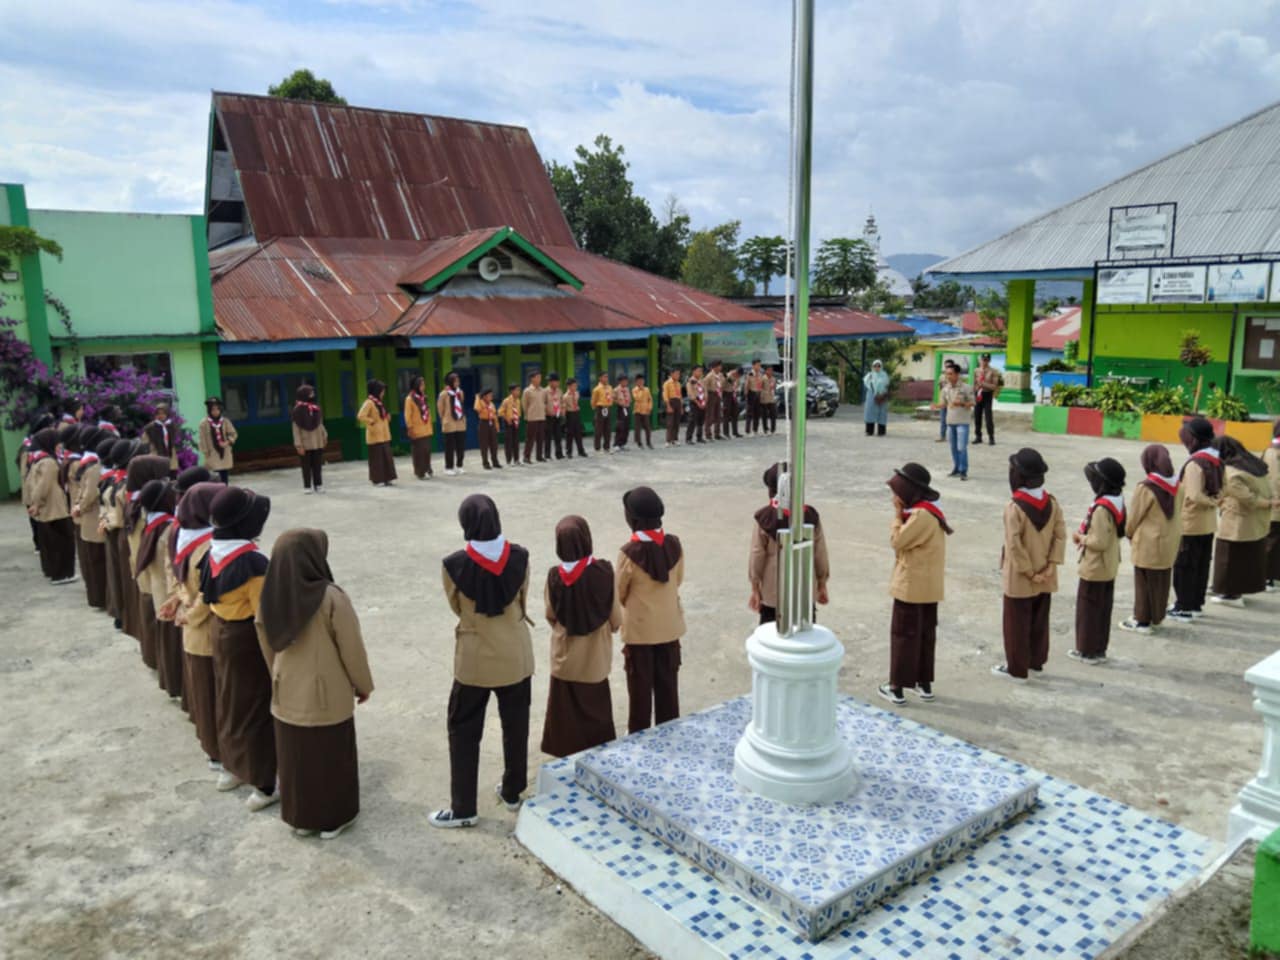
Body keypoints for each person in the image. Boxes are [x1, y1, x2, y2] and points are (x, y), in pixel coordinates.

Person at [257, 529, 374, 839]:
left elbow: (265, 641)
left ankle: (301, 818)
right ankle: (333, 818)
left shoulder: (270, 597)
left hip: (285, 690)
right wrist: (362, 684)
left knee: (296, 756)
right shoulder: (330, 597)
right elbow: (351, 648)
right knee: (330, 754)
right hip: (327, 693)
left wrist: (279, 675)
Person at [431, 495, 534, 829]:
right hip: (515, 653)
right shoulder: (520, 556)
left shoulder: (453, 565)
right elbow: (522, 597)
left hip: (474, 658)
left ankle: (463, 808)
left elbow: (456, 607)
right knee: (516, 724)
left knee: (463, 730)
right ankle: (513, 792)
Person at [202, 486, 277, 810]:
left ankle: (232, 767)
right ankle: (264, 783)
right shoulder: (252, 563)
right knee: (255, 707)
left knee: (229, 702)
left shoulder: (213, 551)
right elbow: (265, 617)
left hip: (220, 633)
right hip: (247, 640)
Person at [541, 516, 621, 757]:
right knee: (596, 708)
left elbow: (550, 614)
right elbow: (616, 618)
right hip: (595, 657)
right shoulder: (604, 572)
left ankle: (565, 752)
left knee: (565, 710)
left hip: (565, 657)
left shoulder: (554, 576)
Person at [878, 462, 951, 706]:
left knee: (904, 635)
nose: (895, 497)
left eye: (897, 493)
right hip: (929, 586)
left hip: (911, 586)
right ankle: (923, 683)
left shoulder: (920, 516)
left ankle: (897, 687)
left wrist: (897, 516)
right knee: (924, 635)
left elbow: (897, 541)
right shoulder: (930, 511)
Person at [993, 448, 1065, 683]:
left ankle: (1017, 668)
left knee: (1016, 622)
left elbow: (1014, 545)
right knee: (1039, 619)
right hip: (1046, 573)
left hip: (1021, 577)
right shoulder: (1052, 503)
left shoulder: (1014, 507)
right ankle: (1036, 661)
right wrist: (1051, 565)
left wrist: (1030, 573)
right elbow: (1060, 535)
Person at [617, 486, 685, 733]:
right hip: (669, 628)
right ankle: (669, 735)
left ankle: (638, 738)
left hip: (639, 633)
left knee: (640, 692)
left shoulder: (628, 553)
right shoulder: (674, 545)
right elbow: (678, 580)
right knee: (668, 688)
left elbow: (619, 592)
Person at [171, 481, 221, 772]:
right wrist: (191, 614)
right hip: (205, 631)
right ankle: (217, 753)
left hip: (191, 626)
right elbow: (208, 592)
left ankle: (211, 748)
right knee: (212, 696)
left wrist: (182, 605)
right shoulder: (208, 546)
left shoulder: (185, 536)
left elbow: (178, 579)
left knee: (204, 694)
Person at [748, 463, 830, 625]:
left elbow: (757, 555)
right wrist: (822, 583)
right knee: (805, 634)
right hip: (804, 592)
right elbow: (820, 553)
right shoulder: (810, 516)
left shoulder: (765, 518)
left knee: (771, 635)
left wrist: (755, 587)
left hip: (773, 594)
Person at [1070, 458, 1126, 665]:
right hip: (1109, 563)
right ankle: (1099, 649)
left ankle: (1087, 651)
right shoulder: (1118, 500)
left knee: (1088, 610)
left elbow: (1099, 542)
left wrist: (1081, 538)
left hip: (1095, 565)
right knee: (1103, 609)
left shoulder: (1102, 509)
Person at [1121, 446, 1181, 634]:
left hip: (1148, 541)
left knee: (1143, 581)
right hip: (1170, 540)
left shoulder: (1146, 488)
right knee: (1161, 580)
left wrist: (1128, 533)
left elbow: (1135, 517)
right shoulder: (1178, 485)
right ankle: (1157, 617)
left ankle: (1142, 621)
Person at [1168, 418, 1223, 621]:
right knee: (1201, 565)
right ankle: (1196, 604)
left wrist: (1210, 502)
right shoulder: (1217, 460)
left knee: (1184, 567)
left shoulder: (1195, 464)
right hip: (1208, 524)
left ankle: (1183, 607)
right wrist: (1216, 501)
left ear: (1194, 439)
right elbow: (1223, 489)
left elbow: (1193, 495)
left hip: (1190, 524)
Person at [1210, 435, 1276, 606]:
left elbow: (1247, 499)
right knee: (1245, 557)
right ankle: (1232, 590)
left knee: (1229, 558)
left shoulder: (1232, 472)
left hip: (1238, 521)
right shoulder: (1255, 465)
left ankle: (1230, 594)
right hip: (1256, 521)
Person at [137, 478, 183, 700]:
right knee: (174, 645)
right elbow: (172, 569)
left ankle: (169, 681)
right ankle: (176, 685)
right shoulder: (168, 530)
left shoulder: (151, 523)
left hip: (158, 591)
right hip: (169, 596)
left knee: (167, 642)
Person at [126, 455, 172, 669]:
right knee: (158, 627)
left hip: (148, 578)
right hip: (156, 582)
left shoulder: (139, 505)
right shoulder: (155, 522)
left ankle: (152, 658)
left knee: (151, 620)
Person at [24, 428, 77, 584]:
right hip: (55, 508)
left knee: (50, 542)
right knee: (62, 541)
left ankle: (53, 572)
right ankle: (61, 574)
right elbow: (43, 486)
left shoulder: (37, 460)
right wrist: (37, 503)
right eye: (57, 442)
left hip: (46, 509)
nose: (59, 446)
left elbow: (30, 484)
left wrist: (35, 503)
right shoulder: (48, 462)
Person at [71, 428, 108, 610]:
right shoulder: (95, 467)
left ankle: (100, 598)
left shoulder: (90, 464)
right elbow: (90, 492)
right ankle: (101, 598)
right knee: (97, 561)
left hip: (89, 518)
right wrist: (80, 506)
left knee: (96, 560)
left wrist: (78, 505)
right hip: (93, 518)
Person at [937, 363, 975, 480]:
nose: (948, 376)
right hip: (950, 422)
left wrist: (962, 403)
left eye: (950, 374)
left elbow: (973, 403)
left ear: (957, 374)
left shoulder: (966, 387)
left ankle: (963, 471)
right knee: (953, 447)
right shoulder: (945, 388)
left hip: (962, 422)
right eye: (946, 374)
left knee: (961, 447)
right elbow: (943, 404)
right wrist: (936, 406)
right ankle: (956, 468)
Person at [357, 379, 397, 487]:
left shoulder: (379, 403)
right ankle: (377, 479)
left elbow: (381, 416)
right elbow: (361, 415)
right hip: (375, 436)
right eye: (381, 391)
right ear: (376, 391)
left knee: (386, 458)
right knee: (377, 459)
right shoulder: (369, 402)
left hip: (384, 435)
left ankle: (387, 478)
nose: (383, 393)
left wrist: (387, 418)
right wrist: (372, 422)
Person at [292, 385, 328, 494]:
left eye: (312, 392)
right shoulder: (297, 410)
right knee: (306, 466)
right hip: (305, 443)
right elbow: (296, 429)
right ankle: (307, 486)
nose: (312, 395)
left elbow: (320, 424)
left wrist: (324, 436)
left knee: (317, 465)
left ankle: (318, 485)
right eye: (310, 393)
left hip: (317, 442)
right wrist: (298, 445)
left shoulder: (316, 408)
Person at [198, 397, 238, 483]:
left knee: (224, 476)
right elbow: (202, 439)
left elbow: (233, 434)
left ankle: (225, 489)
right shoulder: (204, 423)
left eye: (217, 409)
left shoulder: (225, 421)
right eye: (213, 409)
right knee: (215, 477)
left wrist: (227, 442)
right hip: (212, 454)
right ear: (209, 410)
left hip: (224, 454)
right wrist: (206, 453)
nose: (215, 412)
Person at [404, 375, 435, 480]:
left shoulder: (423, 397)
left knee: (427, 451)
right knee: (419, 452)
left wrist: (430, 426)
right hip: (416, 430)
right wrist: (410, 428)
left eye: (424, 384)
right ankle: (420, 472)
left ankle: (427, 469)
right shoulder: (409, 399)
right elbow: (407, 415)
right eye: (422, 385)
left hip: (426, 429)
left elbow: (428, 413)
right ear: (416, 386)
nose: (423, 387)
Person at [438, 371, 467, 476]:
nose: (457, 383)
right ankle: (448, 467)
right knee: (449, 447)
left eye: (458, 381)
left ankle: (459, 466)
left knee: (461, 446)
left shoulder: (460, 393)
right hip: (449, 423)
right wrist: (444, 419)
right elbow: (440, 409)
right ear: (450, 382)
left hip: (460, 423)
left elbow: (461, 405)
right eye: (455, 381)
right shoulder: (444, 394)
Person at [144, 402, 180, 476]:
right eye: (158, 414)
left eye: (163, 413)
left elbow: (175, 439)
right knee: (158, 474)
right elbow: (144, 442)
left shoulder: (171, 425)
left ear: (167, 414)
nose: (161, 415)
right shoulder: (150, 427)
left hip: (170, 454)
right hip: (156, 453)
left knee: (172, 473)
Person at [973, 354, 1002, 445]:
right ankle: (978, 436)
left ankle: (991, 437)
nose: (984, 362)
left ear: (989, 361)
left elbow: (994, 386)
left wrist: (983, 384)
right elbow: (974, 383)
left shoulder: (993, 371)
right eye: (983, 360)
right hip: (978, 394)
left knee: (988, 417)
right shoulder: (976, 370)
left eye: (986, 360)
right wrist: (975, 389)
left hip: (987, 394)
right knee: (977, 416)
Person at [1265, 420, 1280, 590]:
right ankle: (1268, 576)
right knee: (1273, 540)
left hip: (1270, 501)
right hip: (1275, 503)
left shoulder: (1269, 450)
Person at [522, 371, 547, 464]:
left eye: (540, 377)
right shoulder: (527, 391)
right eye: (537, 377)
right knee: (530, 438)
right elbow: (524, 405)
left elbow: (544, 402)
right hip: (532, 418)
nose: (539, 379)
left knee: (541, 438)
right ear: (532, 379)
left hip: (541, 417)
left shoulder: (543, 390)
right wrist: (528, 415)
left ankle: (539, 456)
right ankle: (526, 456)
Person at [474, 387, 501, 470]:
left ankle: (495, 461)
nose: (491, 396)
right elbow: (477, 408)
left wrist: (497, 426)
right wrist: (478, 398)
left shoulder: (492, 404)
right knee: (484, 445)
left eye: (491, 395)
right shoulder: (480, 402)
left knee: (494, 444)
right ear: (484, 396)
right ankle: (485, 463)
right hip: (484, 423)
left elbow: (495, 415)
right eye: (489, 395)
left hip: (492, 423)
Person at [863, 359, 891, 437]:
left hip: (882, 396)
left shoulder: (884, 375)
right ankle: (869, 431)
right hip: (871, 396)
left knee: (882, 413)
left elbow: (887, 384)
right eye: (875, 366)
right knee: (870, 412)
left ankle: (881, 431)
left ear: (881, 366)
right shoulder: (870, 375)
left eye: (879, 366)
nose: (877, 367)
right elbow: (866, 383)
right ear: (872, 366)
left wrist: (881, 393)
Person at [562, 376, 588, 458]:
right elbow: (564, 408)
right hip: (569, 414)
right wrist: (564, 417)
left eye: (576, 385)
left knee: (578, 433)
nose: (575, 387)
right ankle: (568, 452)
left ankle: (581, 451)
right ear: (569, 386)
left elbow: (576, 402)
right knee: (569, 434)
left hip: (576, 413)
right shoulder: (565, 396)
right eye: (574, 385)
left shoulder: (577, 393)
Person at [498, 383, 521, 466]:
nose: (518, 392)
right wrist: (507, 419)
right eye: (517, 390)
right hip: (508, 423)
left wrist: (518, 419)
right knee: (509, 442)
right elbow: (500, 412)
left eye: (519, 390)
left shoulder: (518, 401)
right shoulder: (506, 401)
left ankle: (516, 459)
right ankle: (509, 460)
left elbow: (518, 412)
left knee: (516, 441)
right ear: (512, 391)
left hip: (516, 423)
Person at [544, 372, 565, 460]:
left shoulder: (559, 391)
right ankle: (547, 455)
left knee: (558, 435)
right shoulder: (545, 391)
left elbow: (562, 402)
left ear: (557, 382)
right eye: (549, 381)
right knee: (548, 436)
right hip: (548, 416)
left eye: (551, 381)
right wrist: (547, 411)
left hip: (557, 415)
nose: (549, 382)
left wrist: (563, 410)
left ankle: (559, 454)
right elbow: (543, 404)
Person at [685, 365, 707, 444]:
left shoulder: (702, 381)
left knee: (701, 420)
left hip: (702, 401)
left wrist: (705, 401)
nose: (700, 373)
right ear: (693, 371)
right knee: (692, 420)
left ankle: (699, 437)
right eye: (698, 371)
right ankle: (688, 438)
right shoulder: (690, 381)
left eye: (701, 371)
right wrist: (697, 403)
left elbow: (705, 391)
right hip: (695, 401)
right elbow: (690, 394)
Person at [591, 371, 612, 452]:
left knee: (607, 428)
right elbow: (593, 401)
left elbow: (611, 397)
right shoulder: (597, 389)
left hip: (607, 408)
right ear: (600, 378)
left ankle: (607, 447)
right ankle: (597, 447)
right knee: (598, 429)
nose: (606, 378)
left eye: (607, 377)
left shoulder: (609, 387)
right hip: (600, 408)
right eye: (604, 377)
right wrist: (596, 409)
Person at [632, 373, 654, 450]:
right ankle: (639, 442)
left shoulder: (647, 389)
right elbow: (637, 398)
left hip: (645, 411)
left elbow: (650, 399)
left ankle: (649, 442)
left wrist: (649, 407)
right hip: (637, 411)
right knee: (637, 428)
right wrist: (641, 389)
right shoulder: (634, 390)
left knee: (647, 428)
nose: (641, 382)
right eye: (639, 381)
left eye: (642, 380)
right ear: (636, 382)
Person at [663, 368, 683, 447]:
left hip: (678, 402)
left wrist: (681, 407)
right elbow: (665, 395)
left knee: (676, 422)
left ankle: (675, 439)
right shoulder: (667, 383)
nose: (678, 375)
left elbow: (680, 396)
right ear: (672, 374)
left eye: (679, 374)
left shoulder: (678, 384)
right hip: (671, 402)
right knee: (670, 422)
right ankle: (668, 440)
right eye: (676, 374)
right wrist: (668, 406)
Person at [935, 362, 954, 443]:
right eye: (946, 366)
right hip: (944, 401)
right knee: (943, 419)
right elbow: (940, 387)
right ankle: (942, 436)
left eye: (949, 366)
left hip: (952, 401)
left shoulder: (956, 377)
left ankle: (953, 437)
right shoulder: (942, 377)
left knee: (953, 420)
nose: (947, 368)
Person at [612, 374, 632, 452]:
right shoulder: (616, 390)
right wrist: (619, 402)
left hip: (627, 408)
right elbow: (613, 399)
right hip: (620, 408)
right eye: (624, 381)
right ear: (620, 381)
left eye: (626, 381)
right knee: (620, 426)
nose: (625, 382)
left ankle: (623, 443)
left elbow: (629, 398)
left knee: (626, 426)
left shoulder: (627, 389)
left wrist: (628, 402)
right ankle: (616, 444)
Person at [705, 360, 724, 440]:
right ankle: (708, 434)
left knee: (718, 415)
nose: (721, 367)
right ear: (715, 367)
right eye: (719, 366)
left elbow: (722, 384)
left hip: (718, 394)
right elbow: (705, 387)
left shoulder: (720, 375)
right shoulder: (709, 376)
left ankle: (717, 433)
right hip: (711, 395)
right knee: (710, 415)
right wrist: (706, 397)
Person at [745, 359, 763, 435]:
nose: (759, 366)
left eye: (760, 365)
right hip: (751, 393)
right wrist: (746, 395)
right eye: (758, 365)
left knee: (757, 412)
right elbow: (746, 385)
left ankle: (755, 430)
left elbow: (761, 384)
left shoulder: (760, 374)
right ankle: (748, 431)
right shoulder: (750, 374)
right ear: (753, 365)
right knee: (749, 412)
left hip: (758, 393)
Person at [724, 368, 743, 438]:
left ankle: (735, 432)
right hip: (727, 395)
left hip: (734, 395)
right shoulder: (727, 375)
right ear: (735, 372)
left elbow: (738, 386)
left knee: (735, 414)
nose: (738, 376)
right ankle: (726, 433)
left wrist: (736, 387)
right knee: (726, 414)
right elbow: (723, 385)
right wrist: (729, 376)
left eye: (739, 376)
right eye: (738, 375)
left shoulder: (738, 378)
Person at [760, 367, 779, 434]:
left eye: (771, 370)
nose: (771, 372)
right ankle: (765, 429)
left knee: (773, 414)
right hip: (764, 399)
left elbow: (775, 387)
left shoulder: (773, 379)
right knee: (764, 415)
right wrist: (762, 393)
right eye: (769, 370)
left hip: (771, 398)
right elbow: (760, 387)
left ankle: (773, 429)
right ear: (766, 371)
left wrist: (773, 387)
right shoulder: (763, 378)